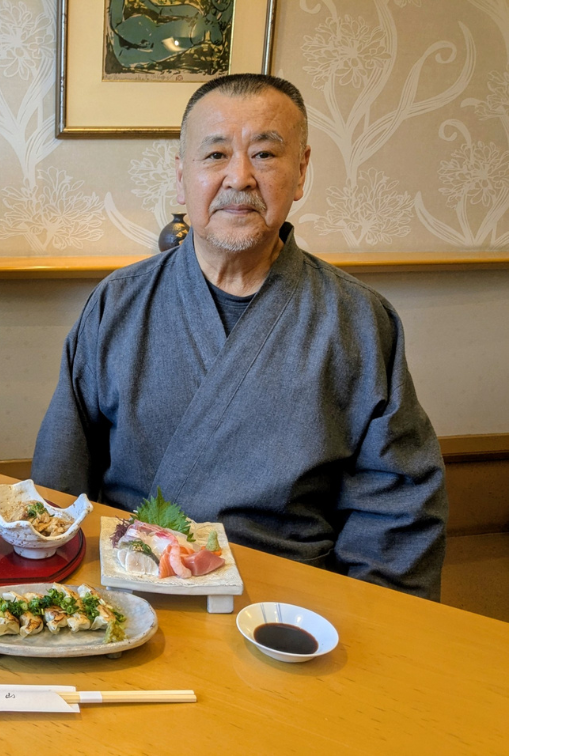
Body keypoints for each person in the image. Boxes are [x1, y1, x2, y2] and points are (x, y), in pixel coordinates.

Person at [31, 73, 448, 600]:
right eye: (215, 155)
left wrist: (366, 622)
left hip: (288, 606)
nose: (240, 177)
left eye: (265, 155)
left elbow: (397, 510)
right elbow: (60, 482)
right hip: (129, 592)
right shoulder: (117, 304)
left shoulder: (360, 321)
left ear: (301, 171)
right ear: (181, 178)